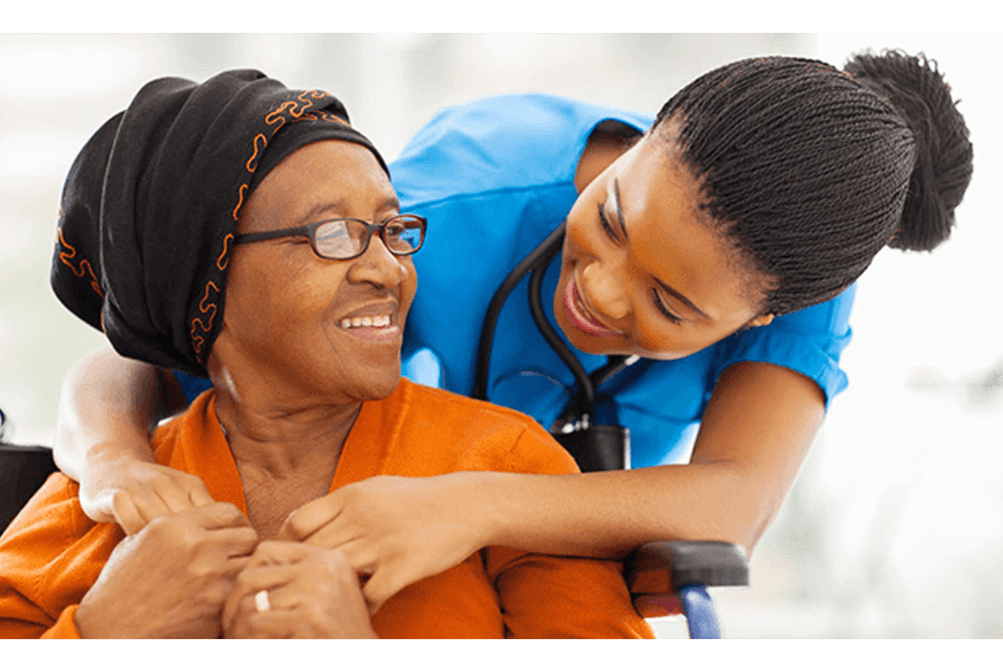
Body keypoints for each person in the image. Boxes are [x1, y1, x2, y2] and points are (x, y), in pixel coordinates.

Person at [52, 51, 974, 612]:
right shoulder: (452, 209)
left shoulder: (794, 277)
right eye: (611, 218)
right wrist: (114, 463)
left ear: (764, 315)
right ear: (645, 138)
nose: (599, 294)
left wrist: (469, 504)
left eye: (670, 306)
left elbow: (734, 503)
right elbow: (133, 361)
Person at [0, 70, 652, 639]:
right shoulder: (103, 500)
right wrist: (103, 631)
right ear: (206, 280)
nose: (388, 269)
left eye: (392, 229)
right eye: (332, 234)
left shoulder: (506, 465)